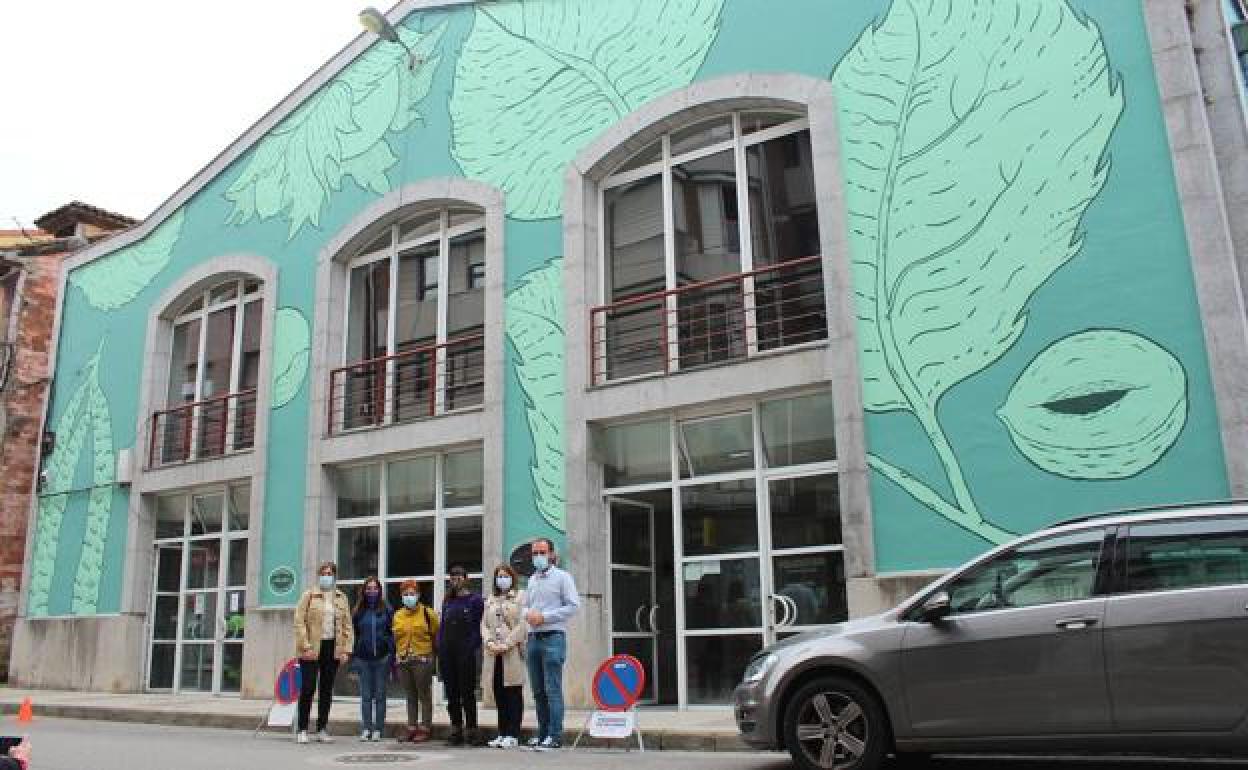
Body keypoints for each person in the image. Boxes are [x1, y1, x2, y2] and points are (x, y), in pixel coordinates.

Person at [523, 537, 580, 751]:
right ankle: (543, 733)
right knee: (538, 691)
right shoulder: (532, 580)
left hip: (553, 637)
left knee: (552, 689)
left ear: (552, 554)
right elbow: (524, 607)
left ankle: (555, 735)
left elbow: (573, 606)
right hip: (533, 639)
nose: (538, 557)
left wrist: (545, 617)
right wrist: (529, 615)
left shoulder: (563, 578)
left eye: (542, 552)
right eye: (535, 553)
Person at [293, 561, 353, 745]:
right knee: (309, 688)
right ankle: (302, 729)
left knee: (326, 690)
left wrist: (346, 650)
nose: (326, 576)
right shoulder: (309, 595)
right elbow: (299, 621)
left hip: (332, 648)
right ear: (319, 575)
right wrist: (305, 646)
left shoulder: (341, 597)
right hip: (312, 648)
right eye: (323, 573)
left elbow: (347, 626)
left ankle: (322, 729)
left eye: (330, 573)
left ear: (334, 576)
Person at [437, 564, 485, 747]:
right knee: (452, 694)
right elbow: (442, 627)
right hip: (447, 654)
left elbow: (479, 627)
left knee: (467, 693)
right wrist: (440, 647)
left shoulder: (475, 600)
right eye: (452, 577)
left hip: (465, 654)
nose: (455, 580)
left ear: (466, 578)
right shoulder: (448, 601)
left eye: (459, 576)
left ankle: (472, 730)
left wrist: (471, 647)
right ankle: (456, 728)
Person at [481, 564, 526, 749]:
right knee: (499, 694)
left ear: (512, 578)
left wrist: (507, 643)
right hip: (494, 654)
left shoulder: (521, 597)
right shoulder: (491, 599)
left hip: (511, 652)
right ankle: (502, 732)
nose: (502, 579)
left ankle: (513, 734)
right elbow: (483, 624)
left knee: (513, 694)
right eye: (499, 576)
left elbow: (522, 624)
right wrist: (489, 641)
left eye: (505, 576)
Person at [393, 579, 438, 743]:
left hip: (423, 660)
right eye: (405, 594)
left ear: (418, 595)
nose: (409, 597)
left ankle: (425, 727)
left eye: (412, 594)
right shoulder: (397, 615)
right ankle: (411, 726)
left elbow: (435, 634)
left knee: (424, 694)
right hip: (403, 661)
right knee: (410, 695)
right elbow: (395, 638)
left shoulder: (428, 613)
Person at [351, 575, 394, 742]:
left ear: (379, 590)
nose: (372, 591)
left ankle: (378, 729)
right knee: (366, 696)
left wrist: (389, 650)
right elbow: (354, 635)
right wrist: (354, 658)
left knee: (381, 696)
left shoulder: (387, 609)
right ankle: (366, 728)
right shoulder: (358, 611)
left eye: (375, 588)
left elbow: (392, 632)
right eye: (369, 588)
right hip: (363, 659)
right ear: (364, 590)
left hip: (382, 659)